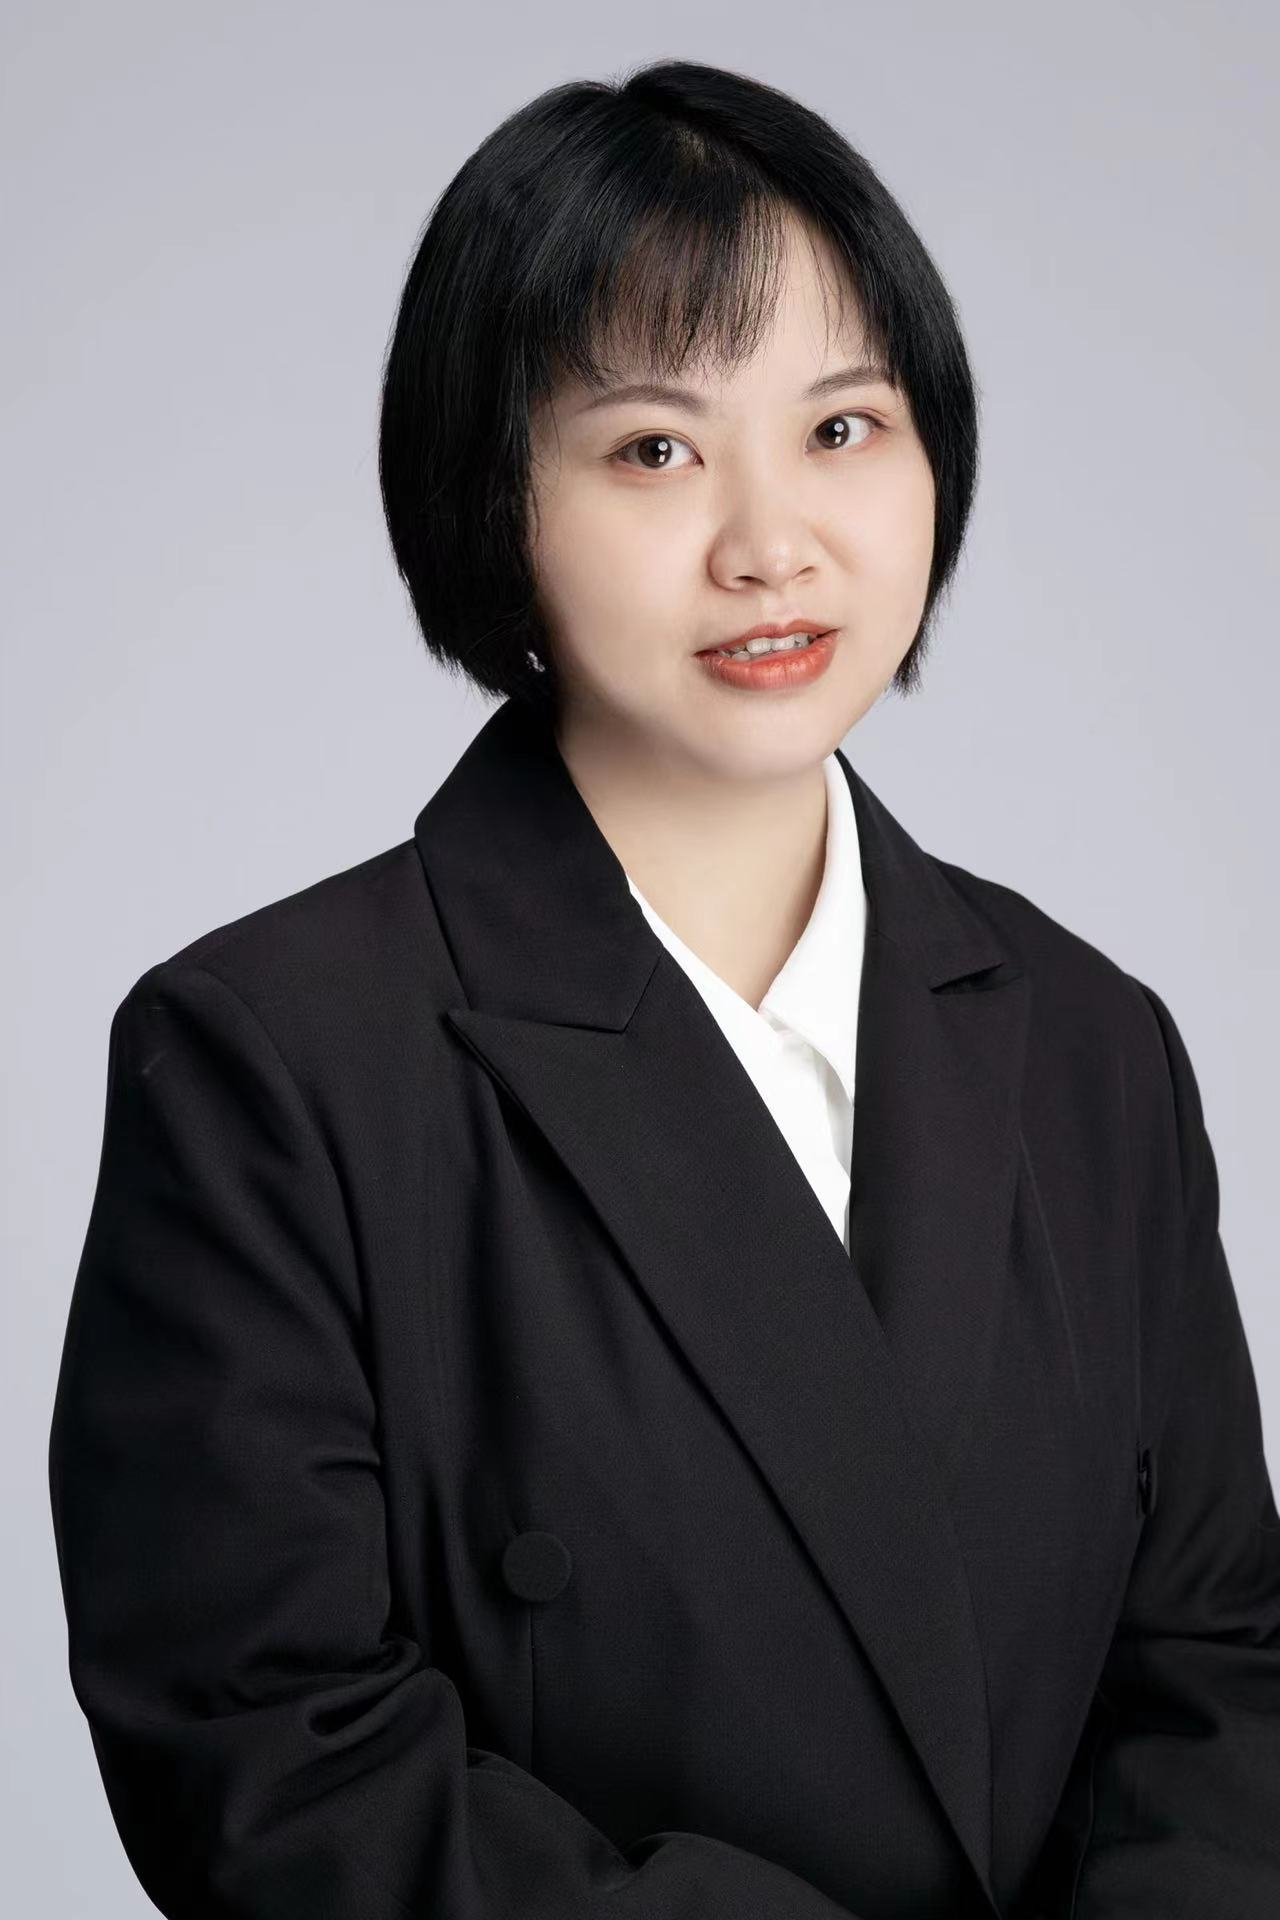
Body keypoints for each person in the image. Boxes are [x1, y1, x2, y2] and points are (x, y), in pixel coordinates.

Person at [48, 56, 1279, 1920]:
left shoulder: (1093, 1042)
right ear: (494, 501)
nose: (771, 543)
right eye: (654, 450)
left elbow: (1220, 1672)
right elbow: (274, 1758)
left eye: (843, 427)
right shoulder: (272, 1060)